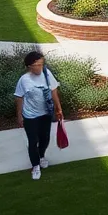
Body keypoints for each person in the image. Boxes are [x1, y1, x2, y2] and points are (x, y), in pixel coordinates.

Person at [13, 50, 63, 180]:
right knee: (33, 140)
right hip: (30, 116)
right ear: (30, 66)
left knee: (45, 138)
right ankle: (35, 166)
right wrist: (19, 115)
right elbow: (19, 97)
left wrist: (59, 108)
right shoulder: (24, 80)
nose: (41, 67)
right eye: (38, 65)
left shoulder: (47, 74)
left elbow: (53, 91)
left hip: (46, 113)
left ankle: (41, 156)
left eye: (42, 64)